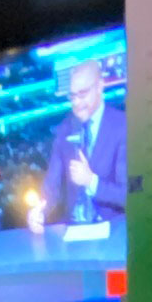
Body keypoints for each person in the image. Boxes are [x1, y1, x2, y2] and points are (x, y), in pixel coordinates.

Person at [28, 59, 127, 232]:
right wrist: (40, 211)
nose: (76, 103)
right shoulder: (64, 130)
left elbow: (131, 193)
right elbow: (51, 187)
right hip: (74, 229)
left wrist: (91, 182)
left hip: (113, 230)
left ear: (100, 87)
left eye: (82, 94)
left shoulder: (123, 126)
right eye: (72, 96)